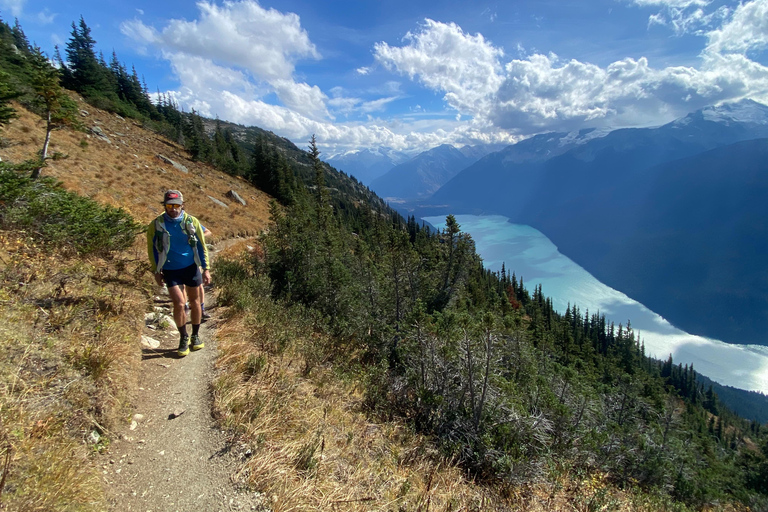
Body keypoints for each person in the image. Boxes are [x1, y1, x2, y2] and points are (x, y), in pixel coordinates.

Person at [147, 190, 211, 356]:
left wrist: (206, 268)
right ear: (165, 206)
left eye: (176, 206)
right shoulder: (157, 224)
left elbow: (201, 246)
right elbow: (152, 248)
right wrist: (156, 270)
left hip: (190, 267)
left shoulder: (191, 221)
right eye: (169, 205)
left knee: (196, 302)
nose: (173, 209)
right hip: (170, 269)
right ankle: (183, 337)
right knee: (179, 303)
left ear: (182, 205)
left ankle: (195, 336)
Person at [184, 224, 212, 321]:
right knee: (183, 284)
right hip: (179, 259)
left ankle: (202, 309)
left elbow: (208, 231)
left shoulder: (190, 221)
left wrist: (197, 237)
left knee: (199, 284)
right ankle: (185, 306)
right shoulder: (168, 221)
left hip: (194, 257)